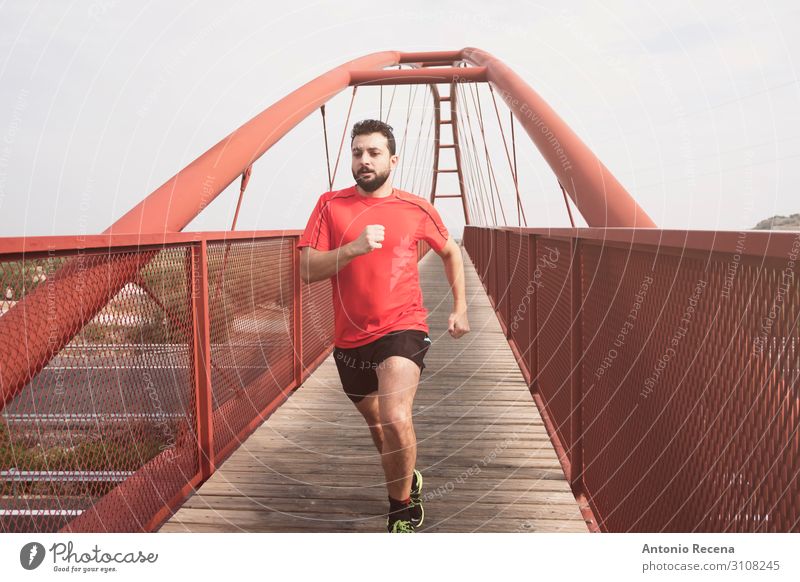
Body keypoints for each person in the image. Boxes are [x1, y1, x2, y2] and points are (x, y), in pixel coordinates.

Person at [296, 119, 470, 533]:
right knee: (379, 427)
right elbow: (305, 269)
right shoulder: (329, 206)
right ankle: (408, 478)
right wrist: (353, 248)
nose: (364, 160)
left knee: (394, 417)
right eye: (357, 153)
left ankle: (400, 512)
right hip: (349, 339)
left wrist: (461, 306)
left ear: (392, 159)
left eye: (373, 153)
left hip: (402, 326)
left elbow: (450, 252)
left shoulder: (416, 209)